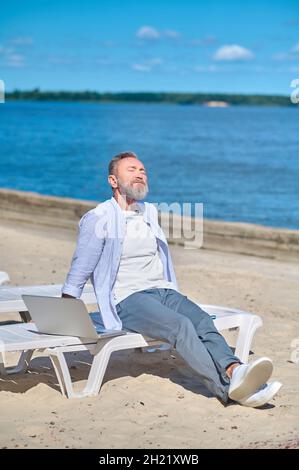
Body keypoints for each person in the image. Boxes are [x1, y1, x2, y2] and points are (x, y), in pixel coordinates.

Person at [62, 151, 282, 407]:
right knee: (180, 326)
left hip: (163, 292)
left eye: (142, 170)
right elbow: (80, 268)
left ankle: (235, 371)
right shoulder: (98, 218)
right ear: (113, 181)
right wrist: (65, 310)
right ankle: (227, 390)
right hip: (127, 299)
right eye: (131, 169)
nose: (140, 173)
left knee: (201, 320)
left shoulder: (149, 212)